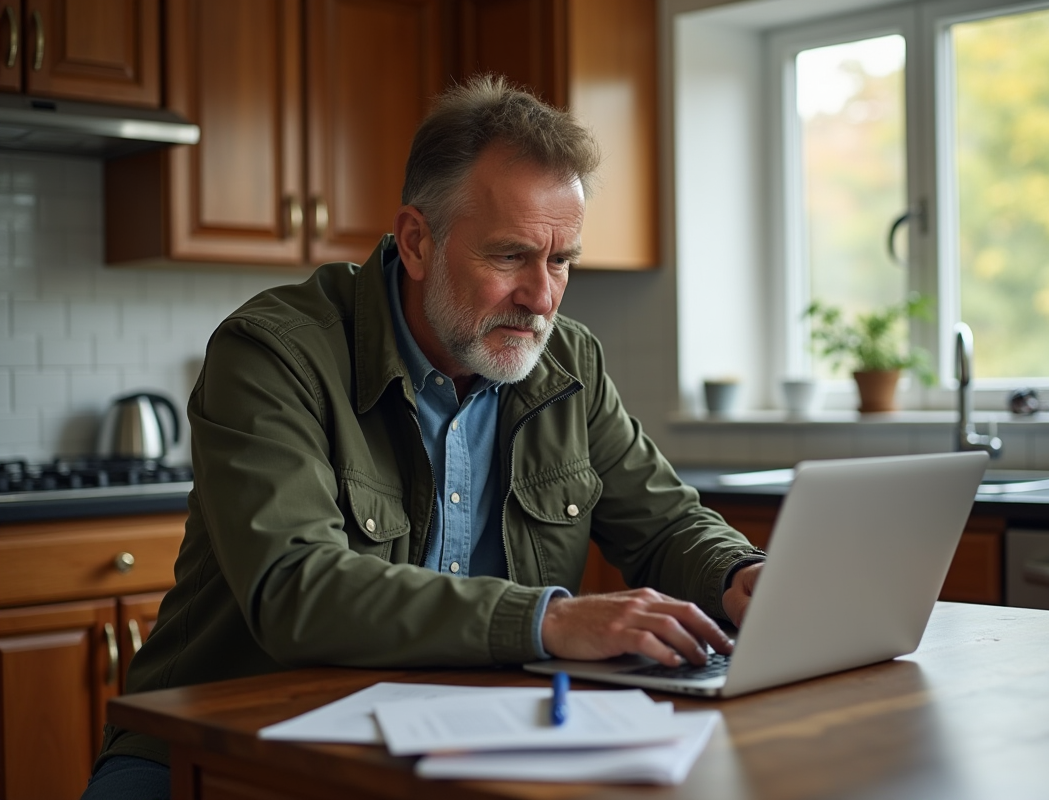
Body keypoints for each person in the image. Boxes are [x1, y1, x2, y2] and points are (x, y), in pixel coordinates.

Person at [81, 75, 765, 799]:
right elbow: (296, 586)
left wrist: (740, 575)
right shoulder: (275, 351)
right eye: (510, 257)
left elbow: (664, 523)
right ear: (415, 240)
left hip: (458, 737)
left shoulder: (570, 362)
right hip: (221, 740)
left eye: (561, 261)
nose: (542, 297)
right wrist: (548, 619)